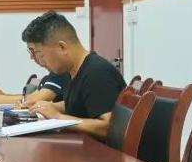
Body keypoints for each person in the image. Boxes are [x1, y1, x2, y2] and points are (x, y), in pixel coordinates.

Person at [22, 11, 126, 139]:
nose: (37, 61)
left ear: (62, 47)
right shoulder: (72, 71)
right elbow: (79, 104)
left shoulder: (97, 73)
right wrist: (49, 107)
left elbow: (109, 127)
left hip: (96, 150)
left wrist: (58, 117)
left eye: (40, 54)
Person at [0, 49, 70, 106]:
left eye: (33, 50)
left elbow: (33, 100)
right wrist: (4, 95)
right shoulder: (45, 78)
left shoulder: (61, 71)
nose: (31, 57)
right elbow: (30, 96)